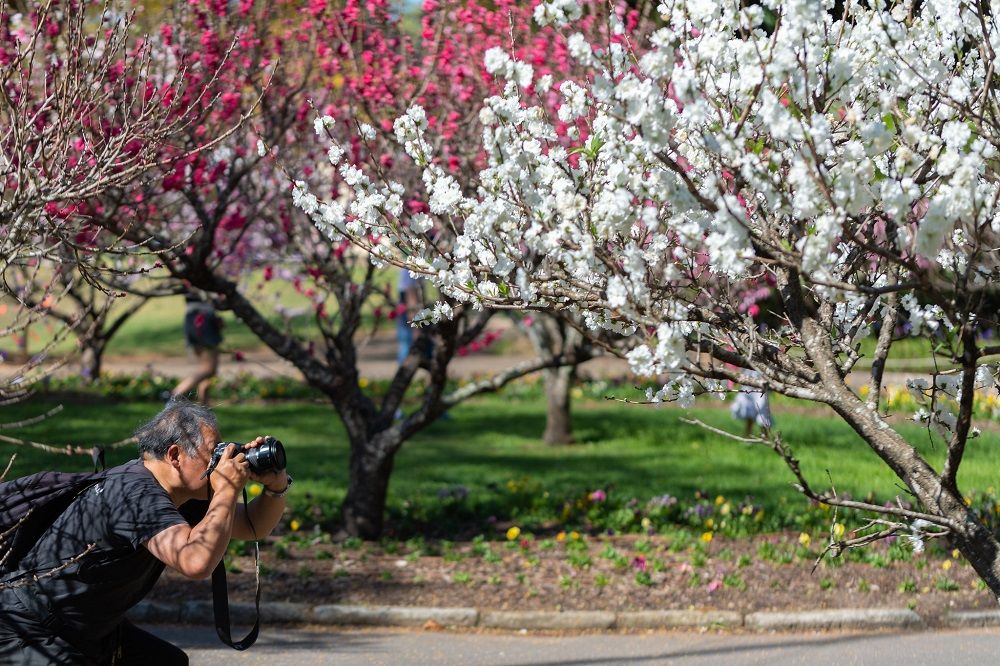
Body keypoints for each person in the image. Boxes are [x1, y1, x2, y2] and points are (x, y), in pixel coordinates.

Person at [0, 397, 291, 664]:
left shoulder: (177, 493)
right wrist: (227, 489)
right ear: (175, 455)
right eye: (211, 454)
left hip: (89, 629)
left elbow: (251, 526)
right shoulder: (135, 494)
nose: (219, 463)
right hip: (30, 630)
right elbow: (195, 561)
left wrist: (275, 485)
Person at [173, 293, 224, 404]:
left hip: (193, 317)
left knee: (209, 370)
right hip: (203, 317)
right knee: (208, 369)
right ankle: (176, 394)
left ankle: (204, 405)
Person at [396, 267, 425, 365]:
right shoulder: (412, 267)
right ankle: (405, 368)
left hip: (410, 304)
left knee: (406, 341)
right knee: (407, 342)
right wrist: (415, 320)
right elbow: (411, 292)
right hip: (409, 305)